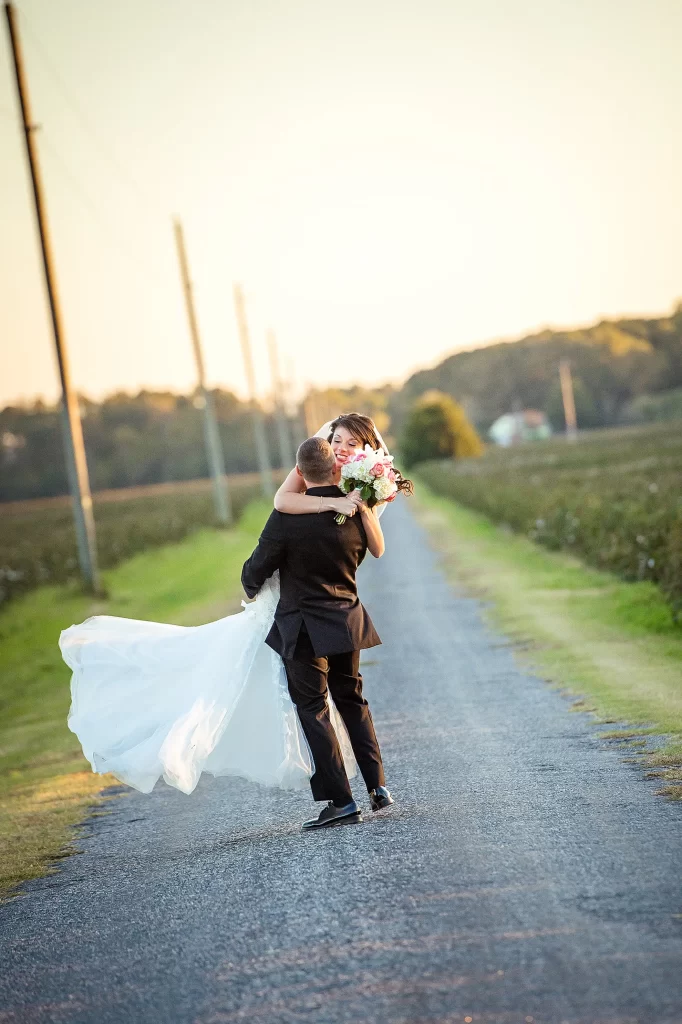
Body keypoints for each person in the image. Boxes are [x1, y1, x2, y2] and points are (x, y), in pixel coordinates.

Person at [242, 435, 393, 830]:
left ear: (298, 474)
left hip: (303, 625)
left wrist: (252, 588)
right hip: (346, 618)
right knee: (352, 698)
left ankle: (342, 801)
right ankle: (378, 787)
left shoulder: (286, 517)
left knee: (314, 708)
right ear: (336, 470)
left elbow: (256, 568)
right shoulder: (357, 510)